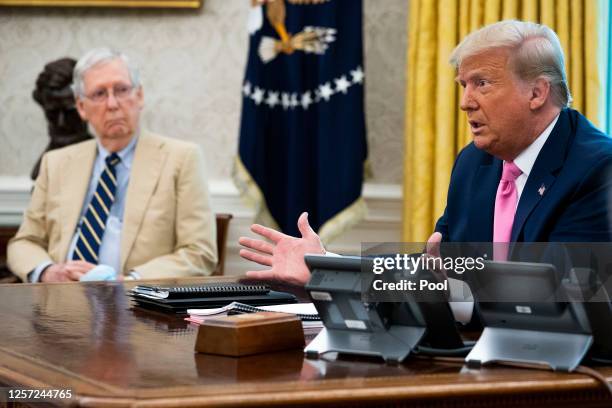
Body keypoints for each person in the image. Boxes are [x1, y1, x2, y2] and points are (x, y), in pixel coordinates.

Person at [238, 20, 612, 287]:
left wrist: (451, 289)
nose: (466, 103)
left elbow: (564, 293)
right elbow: (435, 266)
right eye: (463, 86)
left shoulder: (596, 168)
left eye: (482, 84)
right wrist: (327, 267)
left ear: (537, 92)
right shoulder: (474, 163)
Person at [8, 48, 217, 282]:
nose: (112, 103)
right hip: (60, 301)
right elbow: (24, 242)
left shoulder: (181, 159)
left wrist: (129, 282)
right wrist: (47, 272)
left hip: (139, 307)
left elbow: (199, 252)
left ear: (139, 96)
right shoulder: (56, 163)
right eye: (99, 94)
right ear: (81, 107)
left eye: (121, 90)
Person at [31, 57, 92, 181]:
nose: (61, 122)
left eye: (70, 113)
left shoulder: (104, 162)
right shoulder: (44, 168)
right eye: (52, 113)